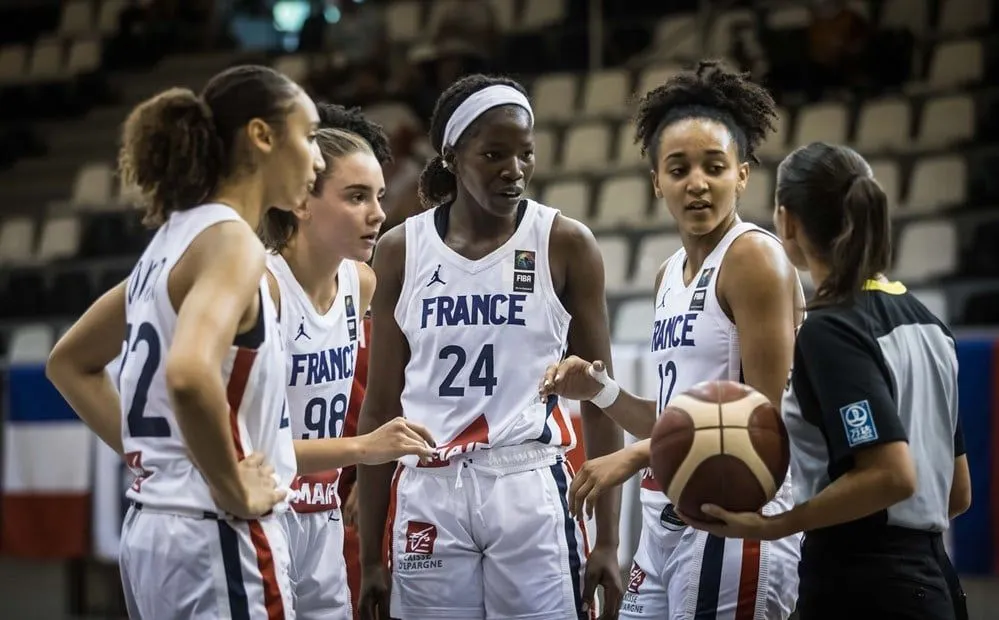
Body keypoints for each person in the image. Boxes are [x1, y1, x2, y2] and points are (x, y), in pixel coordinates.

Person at [45, 64, 325, 620]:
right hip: (216, 532)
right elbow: (188, 374)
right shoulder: (232, 243)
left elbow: (69, 363)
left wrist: (158, 459)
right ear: (262, 136)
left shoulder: (169, 242)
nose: (318, 159)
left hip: (153, 527)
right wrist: (232, 487)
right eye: (310, 135)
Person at [540, 60, 804, 619]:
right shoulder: (667, 276)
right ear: (657, 180)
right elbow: (670, 421)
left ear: (743, 176)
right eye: (679, 169)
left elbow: (761, 423)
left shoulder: (754, 258)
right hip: (667, 514)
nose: (697, 183)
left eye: (715, 167)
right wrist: (601, 391)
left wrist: (633, 456)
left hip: (735, 517)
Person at [356, 74, 624, 620]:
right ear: (452, 157)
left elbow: (602, 398)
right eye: (494, 154)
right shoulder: (400, 250)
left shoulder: (565, 243)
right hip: (429, 485)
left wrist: (608, 540)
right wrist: (369, 560)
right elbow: (380, 406)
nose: (515, 169)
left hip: (526, 481)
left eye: (526, 153)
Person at [680, 142, 971, 620]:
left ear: (788, 221)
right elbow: (957, 493)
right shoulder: (929, 323)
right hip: (933, 578)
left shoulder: (830, 328)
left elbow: (891, 475)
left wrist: (775, 525)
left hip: (862, 584)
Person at [260, 121, 436, 619]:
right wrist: (363, 449)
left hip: (323, 514)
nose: (378, 213)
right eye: (357, 197)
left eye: (378, 195)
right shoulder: (262, 288)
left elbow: (365, 393)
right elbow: (247, 449)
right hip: (261, 513)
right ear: (301, 201)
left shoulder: (360, 282)